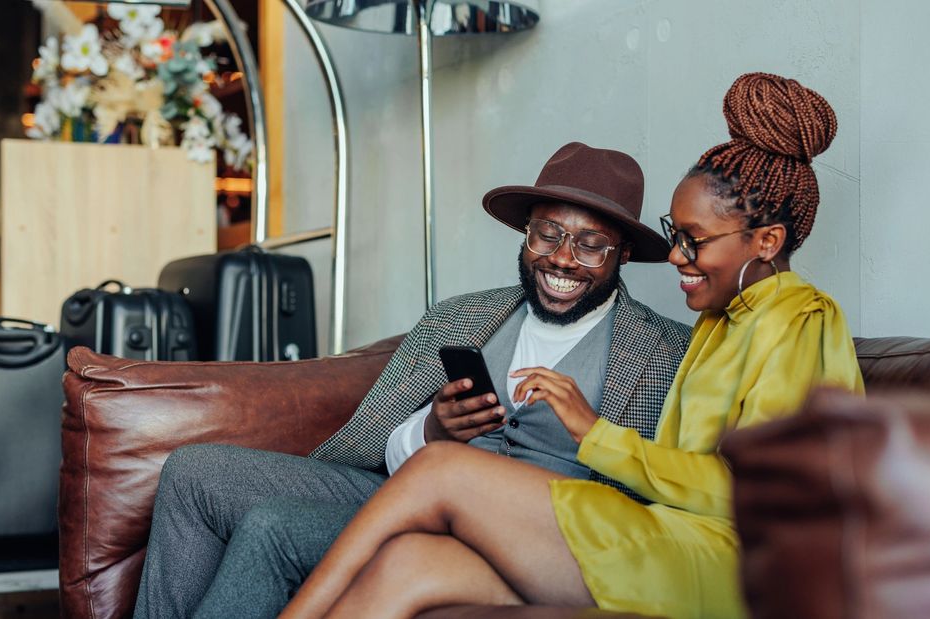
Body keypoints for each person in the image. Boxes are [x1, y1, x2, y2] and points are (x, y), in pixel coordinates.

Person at [279, 72, 865, 619]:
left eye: (694, 240)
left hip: (726, 571)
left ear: (767, 241)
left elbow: (760, 500)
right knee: (408, 563)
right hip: (666, 539)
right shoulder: (723, 320)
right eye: (674, 234)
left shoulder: (798, 320)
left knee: (440, 469)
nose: (676, 257)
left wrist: (594, 434)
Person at [133, 143, 693, 619]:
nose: (563, 260)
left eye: (590, 244)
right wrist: (433, 432)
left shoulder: (665, 355)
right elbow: (369, 446)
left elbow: (662, 500)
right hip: (404, 499)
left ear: (622, 254)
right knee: (193, 471)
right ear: (526, 234)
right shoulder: (460, 317)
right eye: (547, 234)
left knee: (273, 527)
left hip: (535, 537)